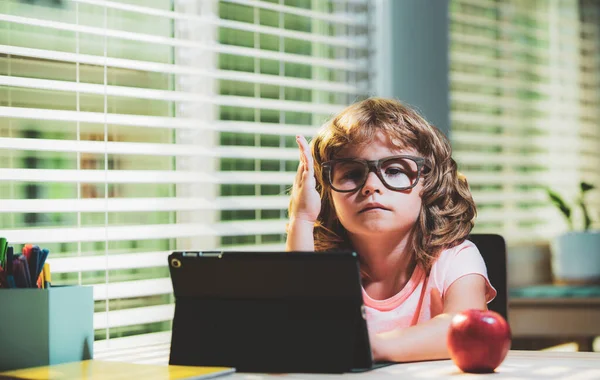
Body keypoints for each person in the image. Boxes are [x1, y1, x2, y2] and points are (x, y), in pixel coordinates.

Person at [286, 97, 496, 363]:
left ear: (428, 184)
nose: (371, 186)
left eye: (394, 170)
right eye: (352, 173)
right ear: (326, 193)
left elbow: (464, 327)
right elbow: (296, 327)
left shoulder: (456, 259)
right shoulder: (325, 266)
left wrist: (369, 347)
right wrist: (302, 218)